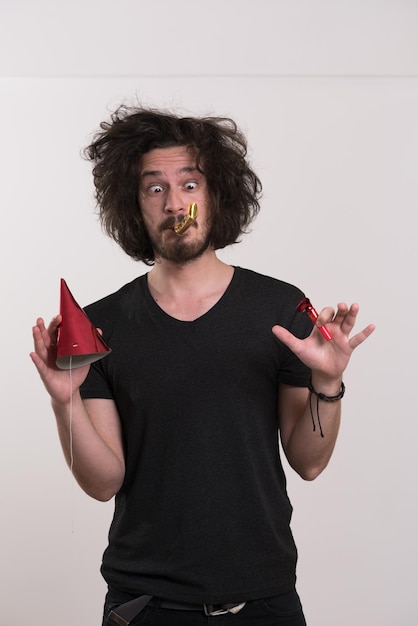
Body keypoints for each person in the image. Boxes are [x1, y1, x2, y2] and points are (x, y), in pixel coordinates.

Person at [30, 104, 375, 626]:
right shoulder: (104, 326)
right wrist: (66, 401)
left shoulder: (278, 309)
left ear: (217, 194)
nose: (174, 204)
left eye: (189, 185)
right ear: (134, 206)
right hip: (143, 606)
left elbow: (308, 462)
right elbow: (103, 483)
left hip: (263, 602)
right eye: (154, 188)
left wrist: (328, 380)